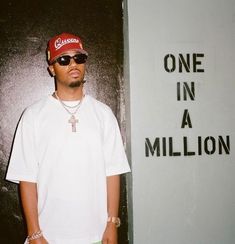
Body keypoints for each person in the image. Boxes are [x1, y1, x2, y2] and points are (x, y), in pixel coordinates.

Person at [6, 32, 131, 244]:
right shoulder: (34, 116)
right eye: (64, 59)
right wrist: (35, 233)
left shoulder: (103, 114)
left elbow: (113, 172)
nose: (73, 64)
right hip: (49, 237)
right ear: (52, 68)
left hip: (97, 236)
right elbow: (27, 179)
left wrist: (112, 222)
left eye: (79, 58)